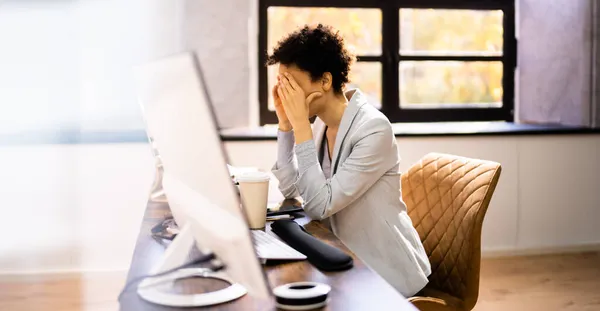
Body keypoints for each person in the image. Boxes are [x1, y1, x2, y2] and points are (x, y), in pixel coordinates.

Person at [267, 24, 431, 297]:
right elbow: (293, 191)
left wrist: (300, 127)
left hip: (383, 272)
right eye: (282, 84)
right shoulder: (319, 125)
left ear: (325, 81)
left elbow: (319, 206)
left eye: (292, 85)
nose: (286, 93)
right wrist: (286, 124)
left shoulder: (374, 129)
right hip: (341, 255)